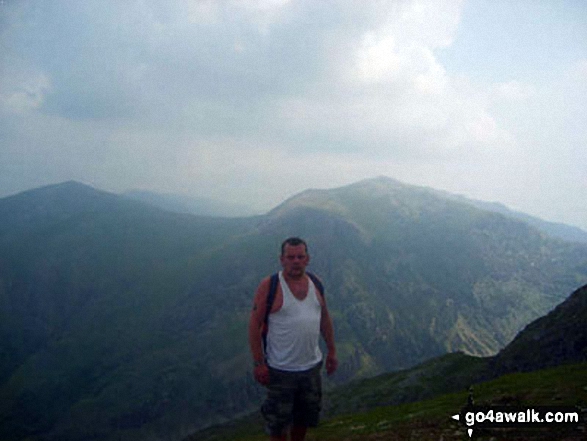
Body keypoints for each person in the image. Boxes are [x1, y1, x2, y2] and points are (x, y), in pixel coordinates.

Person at [248, 237, 338, 441]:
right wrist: (258, 363)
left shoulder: (316, 283)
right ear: (282, 259)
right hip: (281, 370)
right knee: (278, 425)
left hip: (311, 368)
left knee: (303, 420)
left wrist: (332, 350)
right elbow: (254, 325)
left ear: (308, 259)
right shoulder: (270, 286)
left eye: (300, 256)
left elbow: (324, 317)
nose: (296, 261)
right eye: (291, 257)